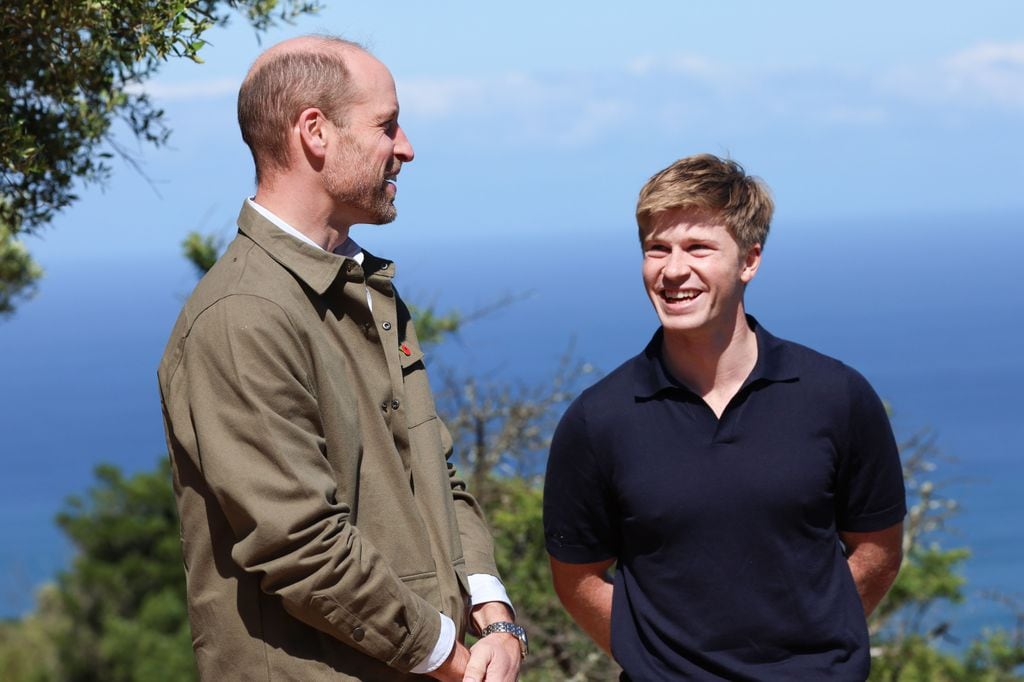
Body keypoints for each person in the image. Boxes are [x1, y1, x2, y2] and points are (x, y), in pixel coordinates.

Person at [158, 35, 525, 682]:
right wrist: (451, 657)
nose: (405, 147)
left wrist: (493, 610)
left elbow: (433, 470)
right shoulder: (243, 315)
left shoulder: (364, 290)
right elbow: (300, 546)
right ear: (315, 132)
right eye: (387, 125)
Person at [543, 154, 905, 680]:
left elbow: (877, 549)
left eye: (698, 248)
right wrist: (658, 666)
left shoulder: (836, 395)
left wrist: (817, 643)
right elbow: (577, 578)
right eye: (657, 249)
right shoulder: (598, 420)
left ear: (749, 260)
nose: (672, 270)